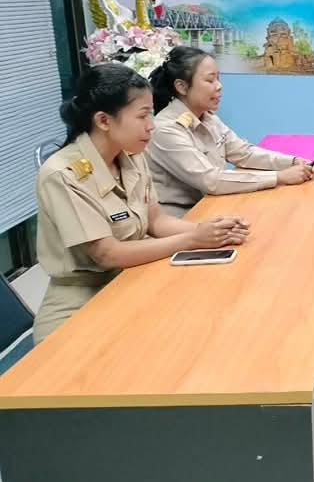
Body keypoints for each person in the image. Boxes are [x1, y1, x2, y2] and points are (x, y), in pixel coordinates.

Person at [33, 63, 250, 343]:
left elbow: (156, 221)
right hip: (82, 299)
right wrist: (193, 239)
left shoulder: (131, 155)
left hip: (131, 278)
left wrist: (212, 231)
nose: (151, 125)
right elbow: (108, 254)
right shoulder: (63, 175)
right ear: (103, 121)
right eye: (143, 115)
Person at [146, 46, 314, 217]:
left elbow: (243, 153)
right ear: (182, 87)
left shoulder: (208, 118)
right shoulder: (166, 129)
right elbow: (211, 180)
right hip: (184, 218)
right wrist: (279, 177)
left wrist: (292, 162)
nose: (219, 86)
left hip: (213, 205)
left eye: (218, 79)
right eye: (210, 80)